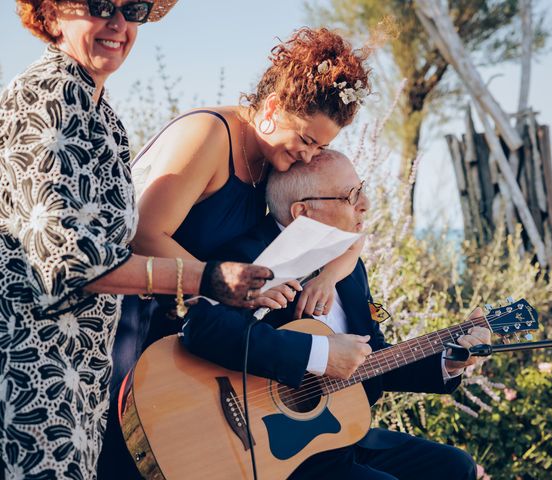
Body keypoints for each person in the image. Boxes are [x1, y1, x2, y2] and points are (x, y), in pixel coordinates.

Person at [0, 1, 271, 477]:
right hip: (27, 372)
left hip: (74, 380)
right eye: (100, 5)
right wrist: (204, 279)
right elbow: (72, 264)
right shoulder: (50, 95)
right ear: (50, 14)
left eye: (135, 9)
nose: (118, 24)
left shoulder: (101, 112)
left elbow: (112, 252)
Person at [96, 27, 373, 477]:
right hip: (129, 323)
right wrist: (225, 285)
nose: (308, 157)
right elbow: (144, 235)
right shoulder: (208, 135)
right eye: (306, 140)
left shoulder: (271, 157)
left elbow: (353, 233)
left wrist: (328, 277)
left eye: (321, 147)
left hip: (195, 332)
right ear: (269, 109)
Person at [181, 150, 492, 479]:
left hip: (337, 435)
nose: (365, 204)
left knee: (456, 467)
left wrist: (447, 360)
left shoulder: (350, 268)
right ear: (303, 212)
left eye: (362, 189)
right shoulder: (249, 255)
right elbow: (203, 327)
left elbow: (372, 358)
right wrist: (321, 354)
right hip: (265, 446)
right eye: (351, 195)